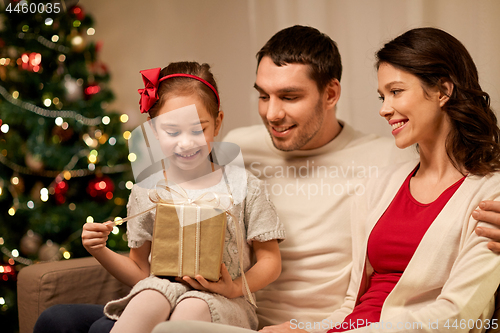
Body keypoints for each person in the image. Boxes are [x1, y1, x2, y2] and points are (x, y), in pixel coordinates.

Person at [34, 25, 500, 333]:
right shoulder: (238, 144)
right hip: (201, 300)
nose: (273, 115)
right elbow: (163, 165)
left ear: (332, 93)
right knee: (58, 321)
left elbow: (466, 177)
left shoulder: (385, 160)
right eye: (263, 96)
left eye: (290, 97)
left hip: (274, 319)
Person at [35, 62, 285, 333]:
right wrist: (100, 250)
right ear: (153, 131)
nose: (186, 143)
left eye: (198, 129)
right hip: (162, 291)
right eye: (172, 132)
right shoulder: (147, 190)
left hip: (225, 300)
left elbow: (270, 260)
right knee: (148, 296)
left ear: (217, 123)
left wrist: (235, 287)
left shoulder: (246, 187)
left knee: (190, 308)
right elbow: (140, 270)